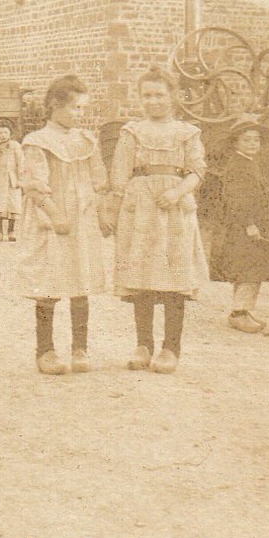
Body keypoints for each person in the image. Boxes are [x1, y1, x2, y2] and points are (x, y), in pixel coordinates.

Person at [110, 67, 210, 374]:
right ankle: (143, 344)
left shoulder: (187, 133)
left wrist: (178, 191)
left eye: (159, 95)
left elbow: (197, 171)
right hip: (141, 211)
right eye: (147, 95)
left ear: (174, 97)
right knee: (142, 276)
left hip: (174, 210)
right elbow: (119, 174)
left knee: (172, 277)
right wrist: (117, 207)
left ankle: (170, 347)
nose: (153, 101)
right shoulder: (132, 132)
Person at [19, 74, 109, 376]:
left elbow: (98, 181)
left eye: (83, 108)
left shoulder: (85, 141)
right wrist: (55, 214)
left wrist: (103, 211)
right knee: (50, 281)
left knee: (79, 278)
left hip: (81, 218)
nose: (79, 114)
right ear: (54, 105)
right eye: (74, 108)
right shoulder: (38, 142)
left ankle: (79, 346)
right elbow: (34, 185)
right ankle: (45, 349)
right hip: (53, 218)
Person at [203, 119, 269, 335]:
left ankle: (245, 310)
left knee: (252, 269)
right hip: (245, 227)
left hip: (255, 223)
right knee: (249, 270)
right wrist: (249, 224)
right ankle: (238, 314)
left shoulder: (249, 162)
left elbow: (255, 193)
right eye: (246, 140)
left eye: (256, 140)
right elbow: (235, 200)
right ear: (236, 143)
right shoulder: (237, 165)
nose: (252, 144)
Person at [0, 124, 23, 243]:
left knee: (12, 203)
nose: (3, 135)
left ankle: (11, 230)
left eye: (5, 133)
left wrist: (20, 178)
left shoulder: (15, 146)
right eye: (1, 133)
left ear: (10, 134)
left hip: (12, 177)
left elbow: (20, 162)